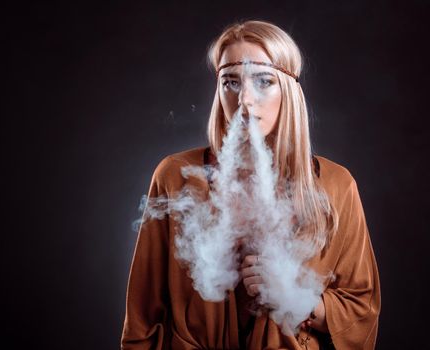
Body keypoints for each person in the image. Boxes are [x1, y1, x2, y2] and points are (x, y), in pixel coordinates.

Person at [121, 20, 381, 350]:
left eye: (263, 81)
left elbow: (362, 308)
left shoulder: (335, 185)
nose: (245, 99)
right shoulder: (176, 176)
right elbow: (142, 317)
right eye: (230, 82)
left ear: (288, 90)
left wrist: (295, 298)